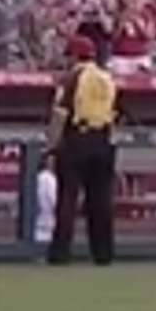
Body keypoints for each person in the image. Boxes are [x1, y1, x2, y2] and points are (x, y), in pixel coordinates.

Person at [45, 35, 117, 265]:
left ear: (74, 56)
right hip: (103, 140)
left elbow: (60, 114)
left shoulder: (72, 78)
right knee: (101, 201)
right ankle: (103, 254)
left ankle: (60, 254)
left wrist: (51, 144)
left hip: (76, 140)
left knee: (67, 199)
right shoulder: (106, 77)